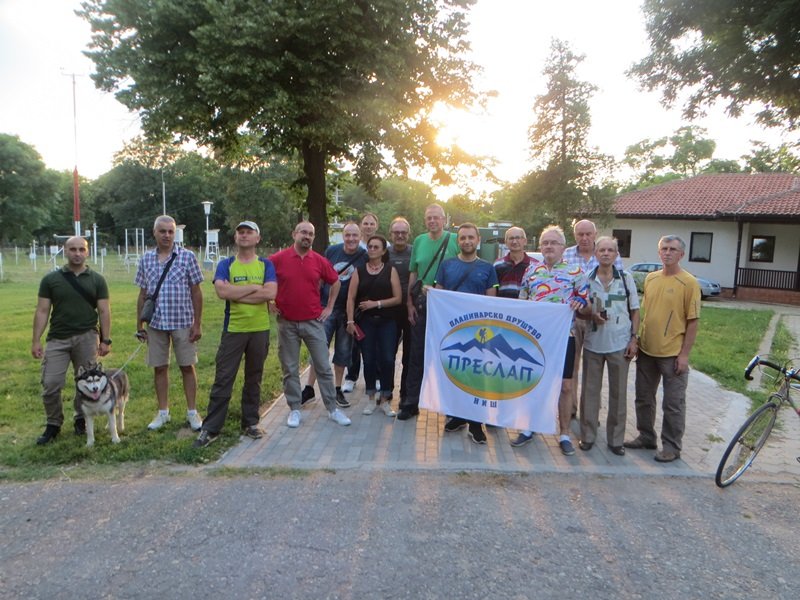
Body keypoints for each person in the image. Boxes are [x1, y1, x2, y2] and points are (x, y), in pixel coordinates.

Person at [194, 221, 277, 448]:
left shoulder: (266, 265)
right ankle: (211, 428)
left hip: (259, 329)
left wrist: (237, 293)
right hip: (233, 329)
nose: (244, 235)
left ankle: (250, 422)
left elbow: (270, 292)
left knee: (254, 377)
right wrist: (254, 288)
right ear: (235, 237)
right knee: (224, 378)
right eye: (241, 232)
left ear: (257, 238)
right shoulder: (226, 264)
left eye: (249, 232)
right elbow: (222, 292)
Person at [512, 225, 590, 455]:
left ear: (563, 247)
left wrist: (581, 304)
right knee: (533, 382)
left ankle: (564, 434)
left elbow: (587, 306)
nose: (549, 246)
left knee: (565, 386)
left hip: (565, 338)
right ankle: (529, 427)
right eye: (545, 243)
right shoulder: (531, 271)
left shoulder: (576, 272)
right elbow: (522, 302)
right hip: (535, 338)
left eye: (553, 242)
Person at [624, 235, 700, 463]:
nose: (667, 253)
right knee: (643, 398)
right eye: (664, 249)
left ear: (681, 254)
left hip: (672, 354)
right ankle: (646, 437)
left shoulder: (689, 282)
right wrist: (637, 339)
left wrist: (684, 354)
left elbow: (693, 321)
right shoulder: (651, 279)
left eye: (672, 249)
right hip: (647, 351)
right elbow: (647, 313)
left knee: (673, 404)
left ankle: (672, 447)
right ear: (659, 252)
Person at [269, 221, 352, 429]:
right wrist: (268, 301)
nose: (307, 236)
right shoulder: (277, 259)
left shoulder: (319, 260)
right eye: (303, 232)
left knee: (323, 366)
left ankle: (332, 409)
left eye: (311, 234)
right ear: (294, 234)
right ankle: (295, 409)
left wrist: (329, 307)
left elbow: (335, 282)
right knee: (290, 368)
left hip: (313, 322)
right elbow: (264, 281)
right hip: (287, 322)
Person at [31, 236, 111, 445]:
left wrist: (106, 340)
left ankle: (81, 419)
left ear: (87, 252)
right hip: (58, 338)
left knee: (86, 380)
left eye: (81, 249)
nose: (77, 253)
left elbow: (104, 310)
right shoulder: (51, 280)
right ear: (65, 251)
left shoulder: (97, 280)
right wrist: (36, 340)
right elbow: (42, 311)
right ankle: (53, 424)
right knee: (51, 383)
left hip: (87, 337)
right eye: (73, 249)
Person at [135, 215, 204, 431]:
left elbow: (196, 292)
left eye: (170, 231)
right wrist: (139, 325)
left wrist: (197, 324)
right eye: (162, 231)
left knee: (187, 366)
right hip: (156, 323)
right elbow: (143, 294)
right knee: (159, 367)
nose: (167, 235)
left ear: (175, 233)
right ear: (154, 232)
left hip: (182, 320)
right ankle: (163, 412)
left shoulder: (187, 257)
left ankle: (192, 412)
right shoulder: (146, 259)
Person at [435, 224, 498, 444]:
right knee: (456, 374)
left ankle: (476, 423)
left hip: (478, 332)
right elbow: (439, 296)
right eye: (463, 238)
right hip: (453, 330)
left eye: (471, 237)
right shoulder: (447, 265)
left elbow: (492, 300)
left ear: (478, 239)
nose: (467, 241)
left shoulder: (488, 268)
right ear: (458, 241)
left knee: (477, 377)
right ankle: (459, 416)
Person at [396, 204, 459, 421]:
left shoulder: (455, 239)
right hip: (422, 305)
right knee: (417, 355)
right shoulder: (420, 241)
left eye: (436, 217)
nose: (432, 221)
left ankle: (450, 408)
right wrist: (409, 304)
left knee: (448, 356)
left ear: (444, 220)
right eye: (429, 218)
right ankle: (411, 403)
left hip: (448, 307)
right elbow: (413, 274)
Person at [579, 237, 639, 455]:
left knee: (618, 394)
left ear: (616, 254)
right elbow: (579, 309)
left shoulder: (626, 279)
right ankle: (587, 436)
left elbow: (635, 311)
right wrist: (590, 314)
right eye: (602, 250)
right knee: (589, 392)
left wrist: (634, 339)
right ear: (595, 254)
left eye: (610, 250)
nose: (606, 253)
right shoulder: (586, 278)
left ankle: (616, 440)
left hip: (619, 343)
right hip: (593, 343)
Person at [563, 219, 625, 421]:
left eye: (588, 234)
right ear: (574, 235)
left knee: (593, 370)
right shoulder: (567, 255)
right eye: (580, 234)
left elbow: (618, 285)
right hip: (573, 318)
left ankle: (591, 413)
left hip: (599, 318)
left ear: (595, 234)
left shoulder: (607, 253)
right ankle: (570, 408)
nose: (584, 238)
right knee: (572, 366)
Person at [301, 222, 366, 408]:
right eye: (348, 235)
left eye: (355, 235)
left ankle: (337, 389)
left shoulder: (364, 256)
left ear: (360, 237)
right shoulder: (332, 251)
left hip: (348, 312)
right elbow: (320, 278)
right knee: (318, 348)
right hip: (326, 308)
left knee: (343, 351)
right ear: (343, 236)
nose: (351, 239)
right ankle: (309, 388)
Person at [346, 234, 402, 416]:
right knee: (368, 360)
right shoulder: (359, 271)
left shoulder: (391, 270)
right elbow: (351, 298)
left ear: (384, 251)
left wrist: (376, 304)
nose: (371, 250)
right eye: (370, 246)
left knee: (387, 359)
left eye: (376, 247)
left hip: (388, 322)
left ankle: (385, 399)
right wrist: (350, 321)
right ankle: (371, 398)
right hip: (365, 323)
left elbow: (398, 298)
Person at [342, 212, 381, 392]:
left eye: (371, 223)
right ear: (360, 226)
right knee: (354, 342)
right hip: (354, 300)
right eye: (365, 223)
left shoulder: (382, 245)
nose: (368, 226)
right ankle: (351, 376)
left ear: (376, 226)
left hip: (373, 300)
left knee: (375, 343)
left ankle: (377, 376)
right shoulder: (355, 246)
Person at [388, 217, 412, 407]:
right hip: (390, 311)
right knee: (388, 354)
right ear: (391, 234)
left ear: (409, 234)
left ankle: (406, 393)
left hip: (411, 310)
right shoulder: (383, 253)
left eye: (403, 232)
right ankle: (386, 390)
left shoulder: (415, 252)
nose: (400, 235)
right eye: (397, 232)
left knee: (409, 356)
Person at [494, 226, 532, 299]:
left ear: (525, 241)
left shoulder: (535, 266)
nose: (514, 241)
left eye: (518, 238)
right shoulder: (497, 265)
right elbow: (494, 288)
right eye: (511, 238)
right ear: (506, 242)